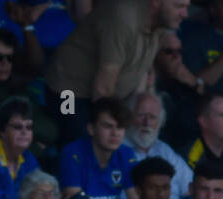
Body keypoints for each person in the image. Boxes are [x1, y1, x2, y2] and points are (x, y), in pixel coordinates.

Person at [43, 0, 191, 146]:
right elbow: (103, 88)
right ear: (156, 2)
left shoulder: (160, 23)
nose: (185, 14)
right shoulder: (123, 18)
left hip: (108, 96)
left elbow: (140, 71)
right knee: (80, 141)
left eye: (187, 7)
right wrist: (117, 124)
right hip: (67, 91)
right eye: (179, 6)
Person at [60, 97, 139, 199]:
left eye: (120, 127)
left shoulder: (126, 154)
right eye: (108, 126)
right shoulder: (73, 153)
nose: (115, 133)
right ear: (91, 128)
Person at [126, 90, 194, 199]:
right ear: (129, 117)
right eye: (141, 115)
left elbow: (191, 189)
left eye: (152, 117)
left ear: (161, 122)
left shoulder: (164, 150)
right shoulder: (117, 150)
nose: (146, 123)